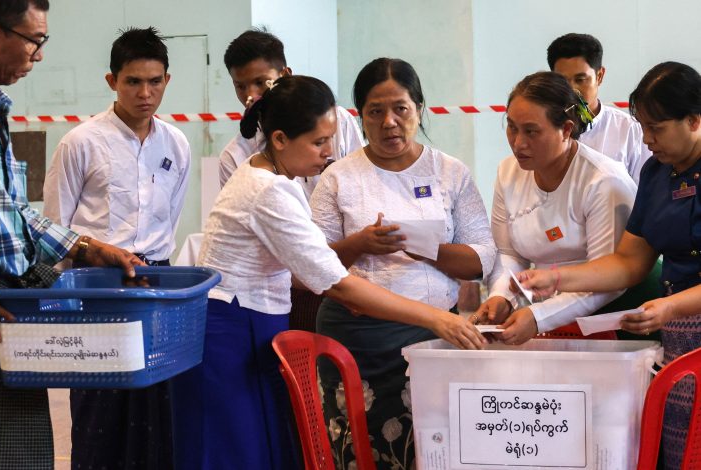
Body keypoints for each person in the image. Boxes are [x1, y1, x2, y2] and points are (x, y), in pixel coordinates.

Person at [183, 74, 485, 470]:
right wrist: (436, 319)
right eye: (318, 142)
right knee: (241, 450)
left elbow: (480, 255)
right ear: (279, 139)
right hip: (237, 328)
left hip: (254, 323)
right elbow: (336, 284)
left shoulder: (272, 179)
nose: (328, 152)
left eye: (331, 139)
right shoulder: (272, 189)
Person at [0, 1, 144, 469]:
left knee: (22, 452)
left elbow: (13, 212)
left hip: (6, 303)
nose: (38, 55)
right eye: (34, 41)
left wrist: (85, 247)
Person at [309, 57, 496, 470]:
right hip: (358, 339)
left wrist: (430, 249)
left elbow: (482, 258)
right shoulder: (338, 178)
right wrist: (359, 244)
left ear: (420, 109)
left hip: (435, 335)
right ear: (360, 117)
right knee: (360, 453)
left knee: (434, 451)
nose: (389, 122)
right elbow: (313, 267)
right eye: (375, 112)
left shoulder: (450, 172)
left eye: (401, 109)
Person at [518, 61, 701, 470]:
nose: (647, 139)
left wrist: (670, 306)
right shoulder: (657, 173)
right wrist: (557, 277)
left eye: (657, 128)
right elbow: (629, 262)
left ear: (694, 120)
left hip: (678, 312)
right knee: (678, 446)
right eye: (643, 127)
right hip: (676, 333)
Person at [43, 27, 190, 469]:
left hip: (155, 282)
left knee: (157, 404)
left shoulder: (176, 143)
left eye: (155, 81)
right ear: (112, 81)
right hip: (97, 289)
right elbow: (53, 228)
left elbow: (170, 220)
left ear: (167, 80)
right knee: (99, 408)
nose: (145, 94)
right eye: (133, 82)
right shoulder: (80, 143)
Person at [473, 71, 638, 345]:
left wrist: (539, 317)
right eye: (512, 127)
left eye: (531, 131)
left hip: (615, 317)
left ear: (567, 130)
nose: (518, 143)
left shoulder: (603, 182)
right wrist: (502, 297)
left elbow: (608, 280)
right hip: (549, 314)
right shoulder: (508, 172)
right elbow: (508, 253)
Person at [218, 28, 363, 199]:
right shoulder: (234, 157)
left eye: (260, 82)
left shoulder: (338, 120)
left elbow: (362, 184)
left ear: (286, 75)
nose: (251, 95)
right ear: (279, 140)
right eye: (240, 86)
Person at [547, 33, 651, 183]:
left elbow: (643, 188)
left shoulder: (629, 130)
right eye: (562, 81)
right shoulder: (545, 128)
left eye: (580, 80)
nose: (572, 90)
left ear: (600, 76)